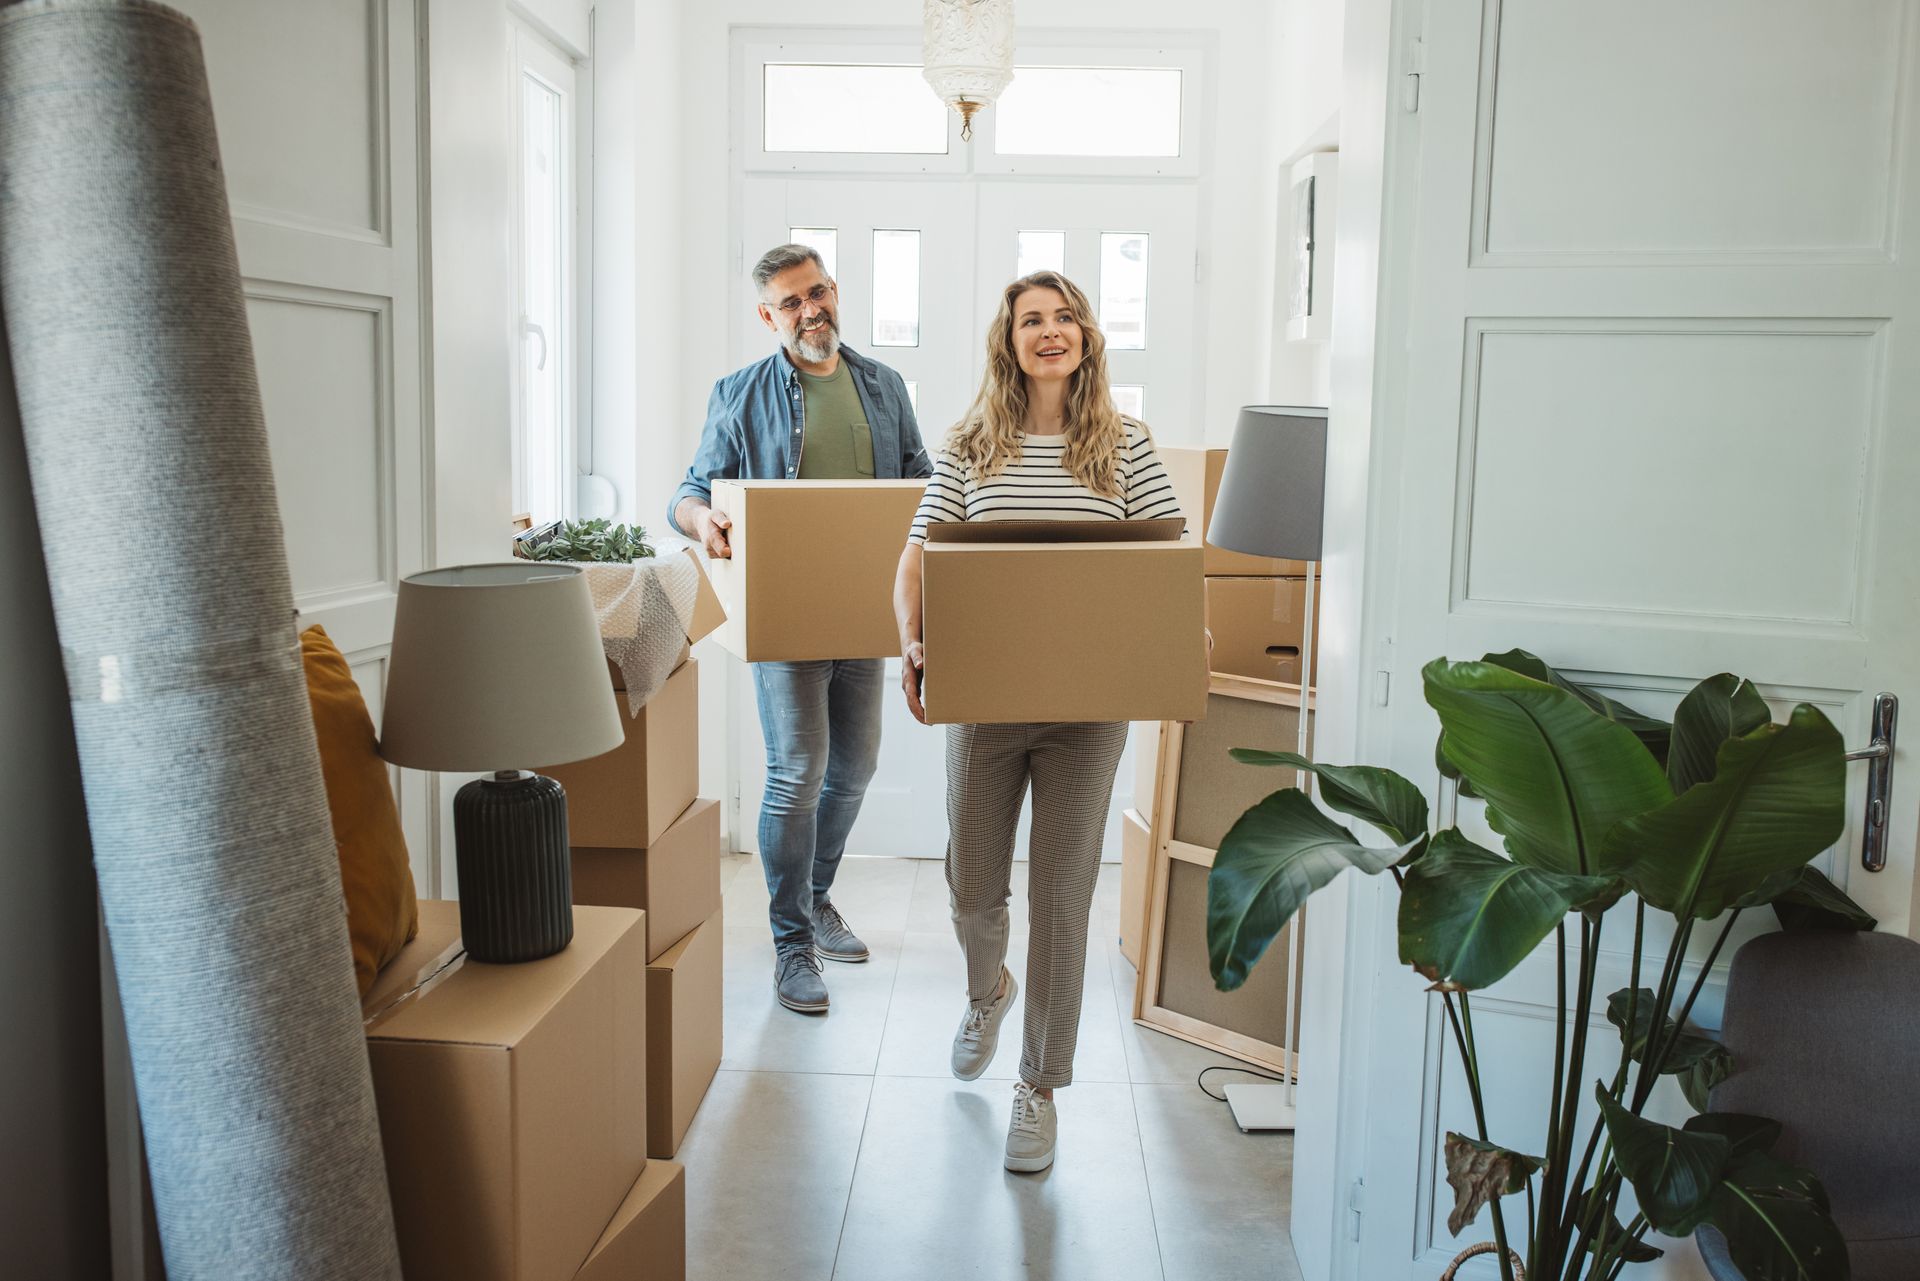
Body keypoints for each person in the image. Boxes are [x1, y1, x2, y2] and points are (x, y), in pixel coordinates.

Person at [891, 270, 1184, 1173]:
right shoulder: (971, 443)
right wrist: (911, 641)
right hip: (985, 706)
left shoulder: (1126, 446)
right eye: (1031, 320)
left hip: (1088, 713)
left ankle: (1039, 1084)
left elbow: (1168, 561)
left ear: (1088, 336)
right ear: (1008, 341)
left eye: (1064, 318)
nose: (1049, 331)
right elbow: (917, 557)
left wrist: (1181, 638)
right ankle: (988, 991)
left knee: (1062, 898)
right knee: (974, 883)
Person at [670, 243, 932, 1014]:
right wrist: (703, 517)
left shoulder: (882, 386)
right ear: (767, 316)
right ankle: (791, 943)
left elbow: (921, 478)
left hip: (863, 611)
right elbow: (687, 490)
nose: (810, 309)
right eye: (791, 301)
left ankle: (816, 896)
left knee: (856, 765)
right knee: (797, 771)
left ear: (835, 291)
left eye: (817, 292)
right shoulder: (739, 391)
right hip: (783, 618)